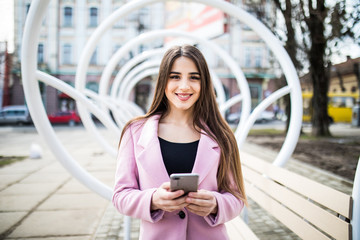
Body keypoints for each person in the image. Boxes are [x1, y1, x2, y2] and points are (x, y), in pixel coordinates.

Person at [112, 45, 247, 240]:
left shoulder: (222, 134)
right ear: (163, 81)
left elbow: (236, 198)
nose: (184, 86)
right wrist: (153, 200)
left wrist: (216, 204)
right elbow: (120, 196)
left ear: (204, 83)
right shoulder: (135, 131)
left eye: (194, 77)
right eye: (175, 76)